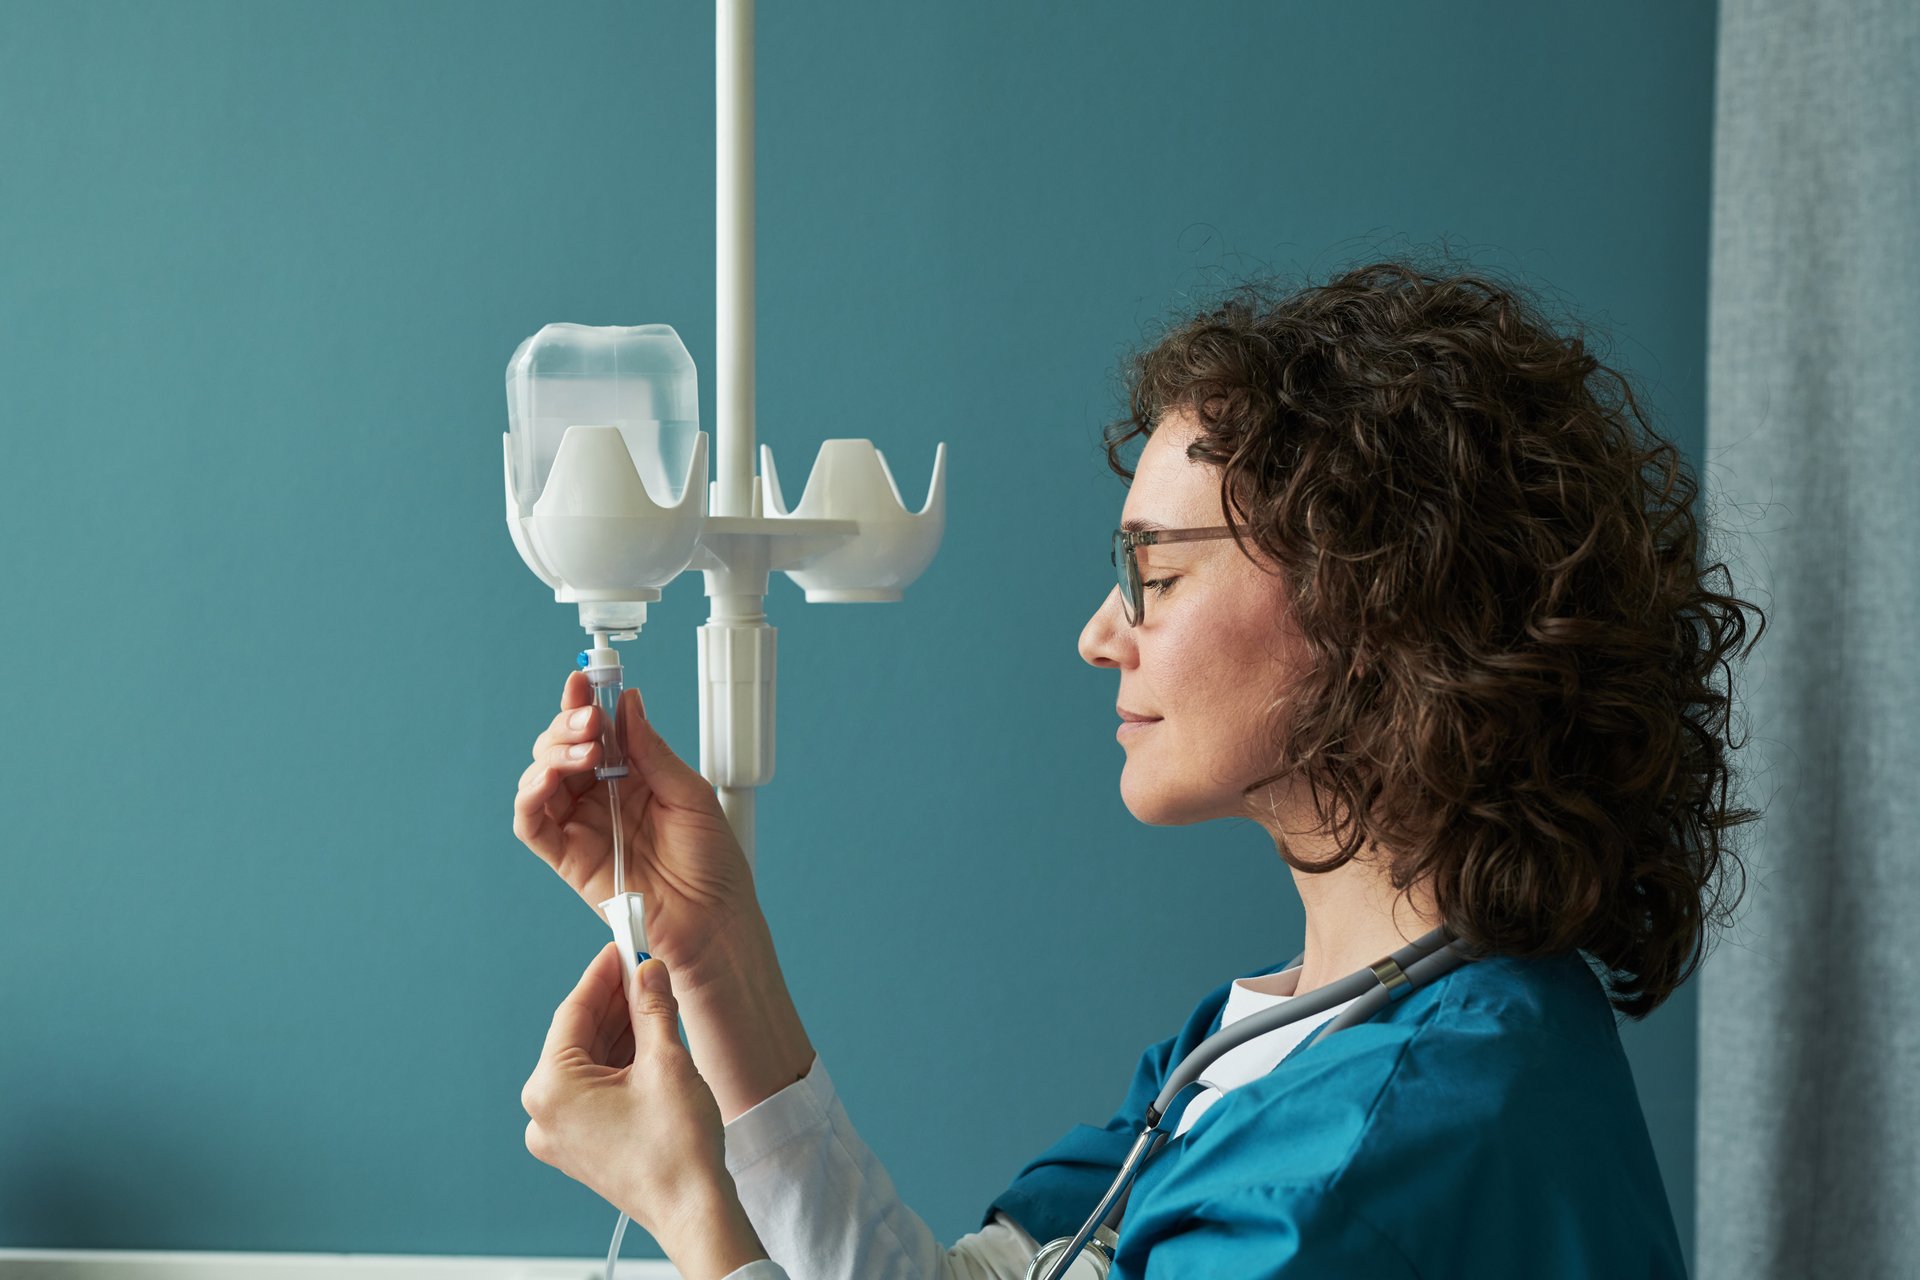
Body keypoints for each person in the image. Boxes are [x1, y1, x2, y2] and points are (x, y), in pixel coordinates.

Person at [511, 259, 1765, 1279]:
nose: (1101, 632)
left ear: (1386, 602)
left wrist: (693, 1204)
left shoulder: (1370, 1159)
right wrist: (714, 943)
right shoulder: (1271, 1046)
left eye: (1154, 575)